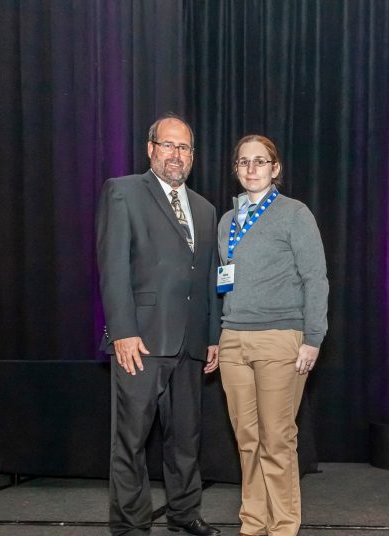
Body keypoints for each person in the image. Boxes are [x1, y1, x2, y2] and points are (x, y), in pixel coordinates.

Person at [96, 113, 222, 536]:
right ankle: (131, 525)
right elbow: (112, 268)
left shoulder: (205, 209)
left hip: (190, 345)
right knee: (130, 441)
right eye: (167, 145)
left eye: (184, 147)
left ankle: (184, 514)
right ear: (151, 149)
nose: (176, 154)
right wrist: (122, 331)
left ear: (193, 156)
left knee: (186, 439)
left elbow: (207, 279)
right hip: (140, 342)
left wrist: (213, 337)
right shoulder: (123, 192)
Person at [216, 135, 328, 536]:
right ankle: (253, 522)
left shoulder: (295, 214)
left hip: (281, 339)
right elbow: (223, 285)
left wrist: (313, 338)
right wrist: (218, 337)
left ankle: (283, 526)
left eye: (260, 162)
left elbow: (315, 279)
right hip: (233, 341)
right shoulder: (227, 221)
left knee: (277, 440)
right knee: (247, 440)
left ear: (275, 168)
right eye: (243, 162)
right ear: (236, 169)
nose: (251, 169)